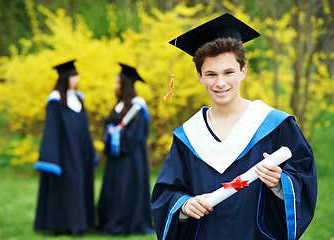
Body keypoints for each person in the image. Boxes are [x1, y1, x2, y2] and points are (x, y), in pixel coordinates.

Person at [151, 13, 317, 240]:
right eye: (211, 74)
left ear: (243, 72)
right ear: (200, 76)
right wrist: (185, 205)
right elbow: (167, 193)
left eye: (228, 72)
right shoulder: (188, 136)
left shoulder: (275, 125)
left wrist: (281, 182)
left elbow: (304, 179)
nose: (220, 83)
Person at [33, 60, 98, 236]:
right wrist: (53, 158)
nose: (76, 79)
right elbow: (52, 130)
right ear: (64, 78)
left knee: (81, 185)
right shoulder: (55, 100)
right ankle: (66, 225)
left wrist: (90, 151)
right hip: (64, 154)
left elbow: (84, 128)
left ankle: (81, 223)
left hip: (81, 154)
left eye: (76, 75)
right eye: (72, 75)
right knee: (69, 186)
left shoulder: (78, 98)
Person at [98, 63, 154, 235]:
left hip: (131, 159)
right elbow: (109, 125)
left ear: (125, 85)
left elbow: (135, 136)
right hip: (117, 159)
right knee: (113, 190)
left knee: (126, 191)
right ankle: (111, 220)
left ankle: (126, 224)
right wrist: (110, 130)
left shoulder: (137, 107)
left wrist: (115, 134)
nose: (115, 86)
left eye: (118, 83)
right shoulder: (120, 106)